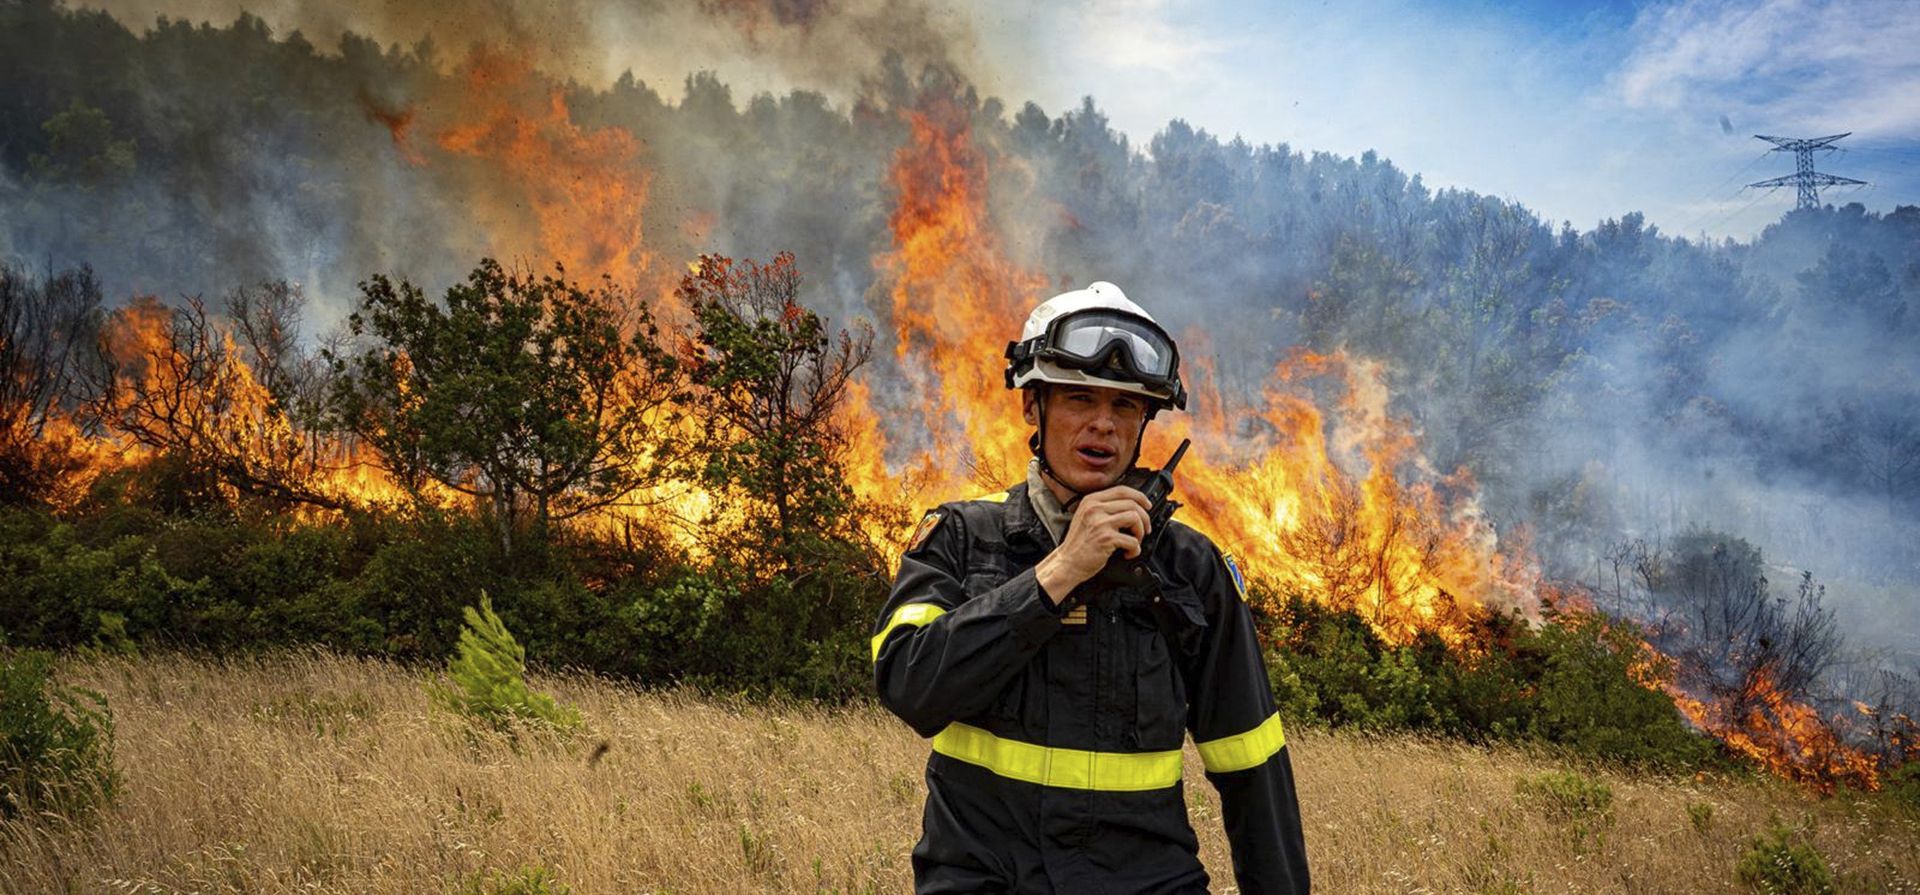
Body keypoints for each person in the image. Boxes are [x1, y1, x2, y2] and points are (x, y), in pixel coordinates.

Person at [871, 282, 1312, 894]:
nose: (1102, 425)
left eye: (1126, 406)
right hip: (986, 881)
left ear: (1145, 421)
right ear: (1033, 406)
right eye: (1079, 398)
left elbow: (1252, 765)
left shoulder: (1191, 568)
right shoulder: (960, 538)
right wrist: (1060, 572)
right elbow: (911, 686)